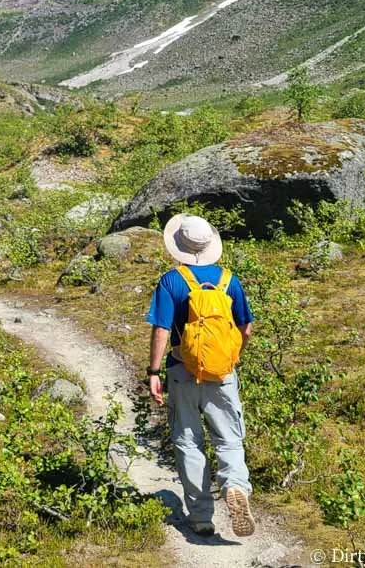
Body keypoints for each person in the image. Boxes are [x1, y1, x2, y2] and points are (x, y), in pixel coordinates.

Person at [145, 213, 256, 538]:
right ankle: (235, 486)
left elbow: (162, 329)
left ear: (179, 246)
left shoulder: (172, 281)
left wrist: (153, 372)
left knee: (189, 441)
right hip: (222, 374)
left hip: (182, 371)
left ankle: (201, 516)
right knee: (229, 439)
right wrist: (230, 358)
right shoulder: (228, 280)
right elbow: (245, 328)